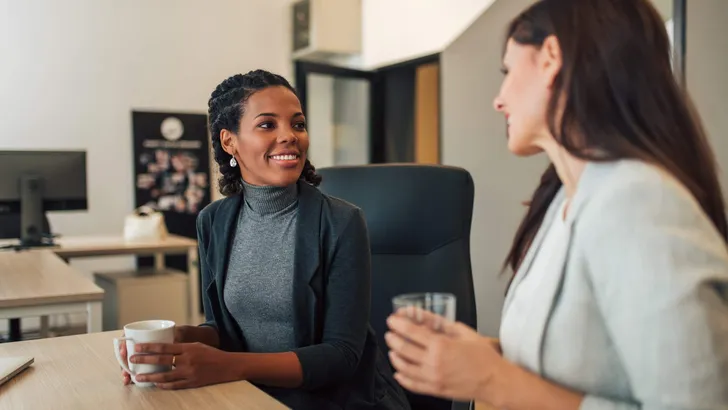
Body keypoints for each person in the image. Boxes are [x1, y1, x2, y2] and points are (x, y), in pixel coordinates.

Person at [385, 0, 728, 409]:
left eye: (508, 72)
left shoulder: (639, 202)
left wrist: (491, 378)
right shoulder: (566, 199)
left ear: (550, 58)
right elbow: (578, 361)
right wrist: (478, 354)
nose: (499, 99)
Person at [120, 69, 410, 410]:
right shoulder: (214, 221)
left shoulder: (341, 222)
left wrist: (227, 366)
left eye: (298, 124)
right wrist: (179, 339)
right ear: (230, 141)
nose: (290, 136)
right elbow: (225, 328)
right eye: (267, 124)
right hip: (249, 395)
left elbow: (341, 356)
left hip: (333, 401)